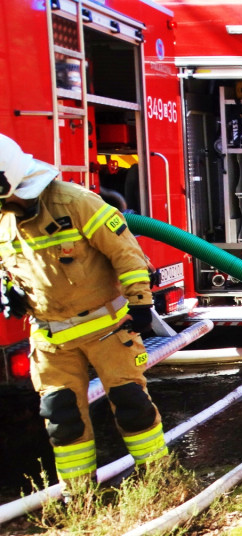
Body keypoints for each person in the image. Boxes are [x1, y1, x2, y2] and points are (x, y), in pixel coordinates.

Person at [0, 133, 167, 488]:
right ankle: (80, 497)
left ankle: (158, 480)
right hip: (50, 339)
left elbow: (126, 252)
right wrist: (7, 291)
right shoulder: (3, 217)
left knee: (131, 404)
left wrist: (139, 302)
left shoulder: (74, 202)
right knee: (61, 418)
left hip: (107, 327)